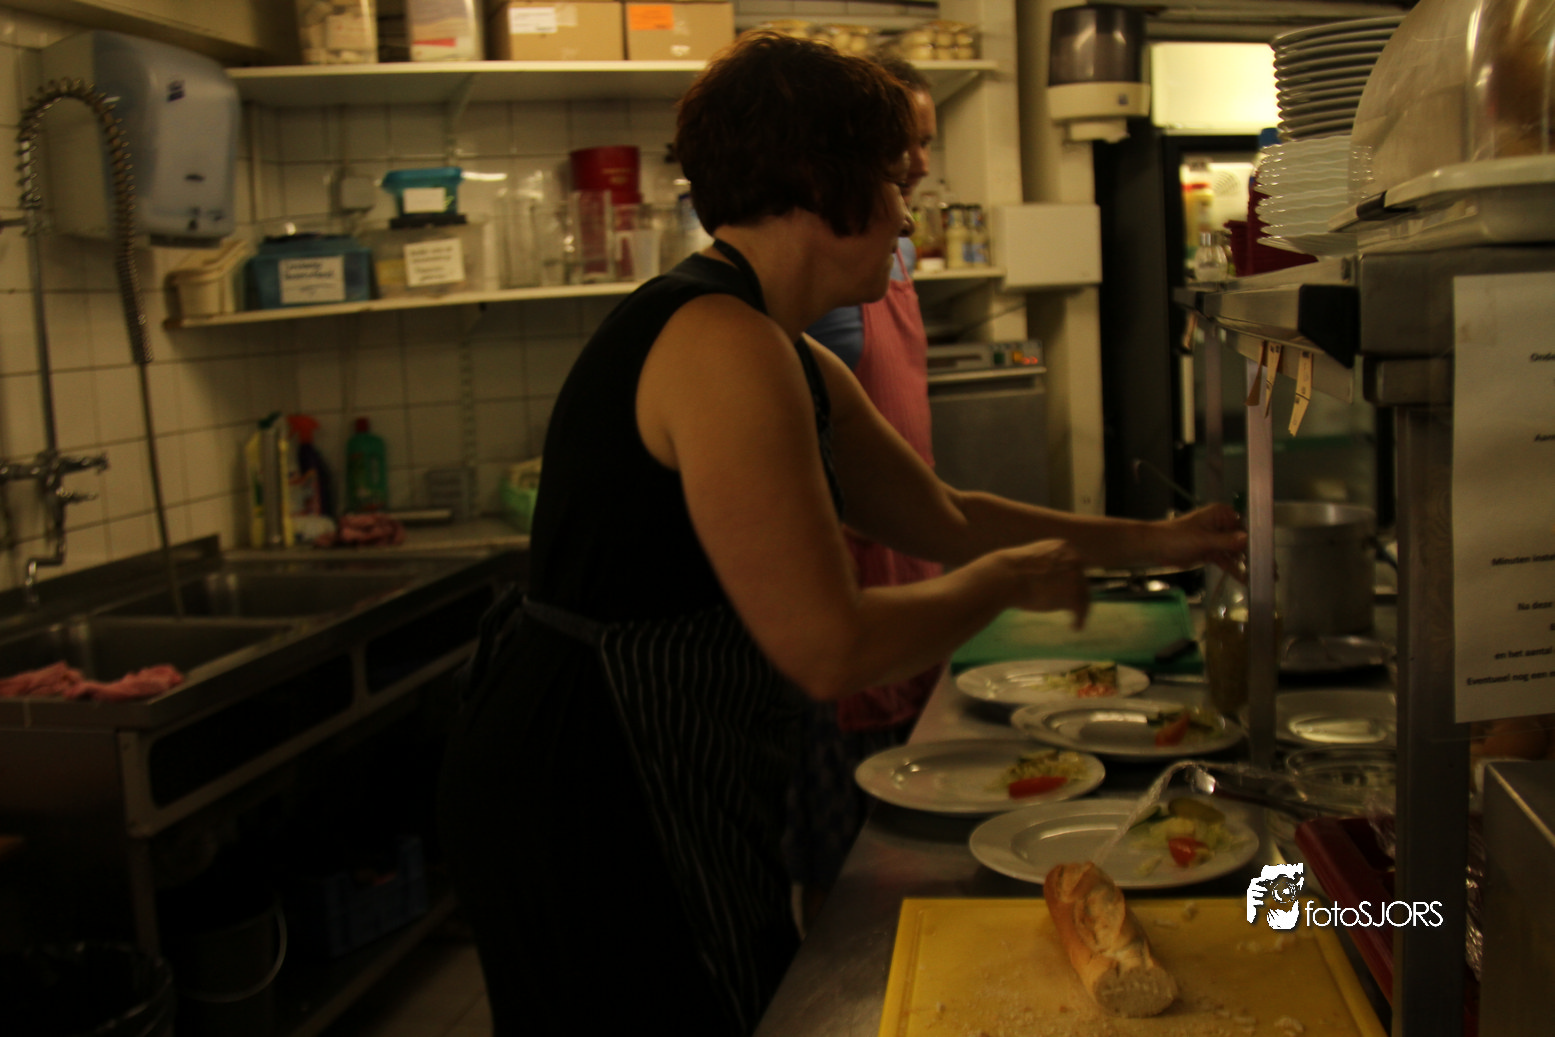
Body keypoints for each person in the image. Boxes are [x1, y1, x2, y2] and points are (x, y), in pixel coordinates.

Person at [436, 31, 1245, 1037]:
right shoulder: (722, 344)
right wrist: (1003, 582)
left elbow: (945, 515)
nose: (907, 211)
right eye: (896, 180)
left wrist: (1159, 541)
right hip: (590, 769)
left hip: (662, 749)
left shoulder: (783, 348)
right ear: (825, 187)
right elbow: (830, 646)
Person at [784, 57, 943, 925]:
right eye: (902, 144)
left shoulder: (896, 254)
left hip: (907, 576)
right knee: (843, 868)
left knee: (909, 851)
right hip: (843, 599)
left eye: (925, 142)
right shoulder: (820, 287)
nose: (918, 165)